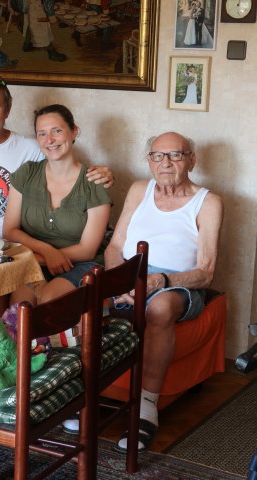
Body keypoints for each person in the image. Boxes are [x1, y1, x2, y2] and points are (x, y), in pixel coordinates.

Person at [104, 132, 223, 453]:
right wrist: (122, 282)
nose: (165, 163)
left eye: (175, 155)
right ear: (149, 161)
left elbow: (206, 272)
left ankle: (145, 410)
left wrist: (161, 281)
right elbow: (115, 247)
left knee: (159, 309)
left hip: (179, 285)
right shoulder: (139, 189)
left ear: (192, 160)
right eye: (157, 156)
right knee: (77, 302)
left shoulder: (208, 201)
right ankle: (78, 399)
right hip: (129, 277)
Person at [0, 72, 113, 239]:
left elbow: (66, 171)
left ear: (7, 110)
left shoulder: (32, 148)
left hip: (14, 245)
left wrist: (103, 175)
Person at [3, 104, 111, 305]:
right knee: (20, 307)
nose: (49, 140)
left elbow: (87, 249)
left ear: (74, 132)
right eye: (42, 134)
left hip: (81, 264)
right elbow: (10, 230)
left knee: (49, 301)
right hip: (36, 262)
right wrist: (47, 252)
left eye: (57, 131)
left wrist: (39, 258)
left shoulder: (94, 182)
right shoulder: (27, 173)